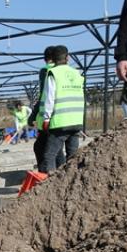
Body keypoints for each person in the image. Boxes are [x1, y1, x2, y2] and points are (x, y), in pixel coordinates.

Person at [35, 45, 86, 174]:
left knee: (49, 156)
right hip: (76, 121)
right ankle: (72, 180)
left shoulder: (53, 73)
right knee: (73, 157)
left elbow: (49, 98)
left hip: (60, 123)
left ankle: (50, 184)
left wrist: (46, 118)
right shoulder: (76, 73)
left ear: (52, 59)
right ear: (68, 58)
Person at [27, 45, 60, 171]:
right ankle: (60, 172)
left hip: (49, 117)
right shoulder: (68, 71)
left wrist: (32, 116)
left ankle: (45, 174)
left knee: (42, 148)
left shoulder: (46, 71)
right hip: (65, 117)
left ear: (45, 58)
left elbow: (44, 96)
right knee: (56, 149)